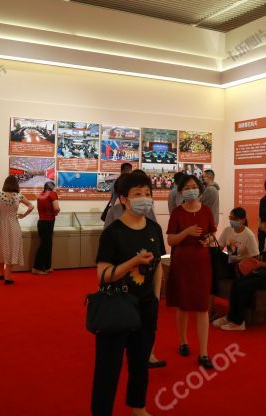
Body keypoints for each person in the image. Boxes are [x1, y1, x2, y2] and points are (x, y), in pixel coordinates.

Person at [91, 171, 163, 416]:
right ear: (123, 199)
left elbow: (158, 266)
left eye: (147, 194)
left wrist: (155, 296)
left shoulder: (154, 227)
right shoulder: (113, 233)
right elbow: (102, 275)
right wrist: (132, 262)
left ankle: (138, 407)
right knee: (108, 368)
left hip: (146, 306)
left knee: (140, 362)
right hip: (117, 305)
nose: (144, 199)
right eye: (137, 194)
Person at [166, 174, 217, 369]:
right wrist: (186, 232)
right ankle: (183, 341)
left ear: (200, 188)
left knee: (202, 307)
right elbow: (171, 240)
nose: (190, 189)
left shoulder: (206, 211)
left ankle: (204, 352)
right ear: (180, 191)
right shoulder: (177, 213)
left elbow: (212, 234)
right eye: (186, 187)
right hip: (181, 263)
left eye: (193, 186)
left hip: (202, 264)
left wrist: (209, 240)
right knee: (183, 305)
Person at [213, 208, 266, 331]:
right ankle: (231, 317)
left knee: (243, 285)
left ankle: (238, 322)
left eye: (260, 220)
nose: (259, 222)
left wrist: (257, 264)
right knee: (238, 283)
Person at [0, 175, 34, 285]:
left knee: (1, 248)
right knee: (12, 249)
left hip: (1, 225)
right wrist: (23, 215)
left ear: (5, 184)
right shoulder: (19, 196)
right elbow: (31, 206)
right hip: (14, 225)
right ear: (16, 184)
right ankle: (8, 277)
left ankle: (1, 273)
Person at [217, 207, 260, 276]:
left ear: (243, 220)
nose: (231, 221)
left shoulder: (249, 235)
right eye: (230, 218)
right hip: (230, 263)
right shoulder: (227, 230)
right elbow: (219, 248)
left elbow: (256, 257)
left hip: (241, 267)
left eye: (235, 219)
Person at [33, 181, 60, 275]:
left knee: (47, 245)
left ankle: (47, 266)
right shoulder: (52, 194)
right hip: (48, 222)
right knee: (45, 245)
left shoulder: (41, 195)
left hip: (41, 222)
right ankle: (36, 267)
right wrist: (56, 213)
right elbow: (56, 208)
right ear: (52, 187)